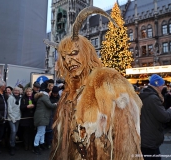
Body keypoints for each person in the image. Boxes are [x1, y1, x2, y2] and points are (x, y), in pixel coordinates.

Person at [44, 6, 143, 160]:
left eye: (74, 53)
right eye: (64, 57)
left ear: (86, 52)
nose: (69, 61)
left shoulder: (108, 82)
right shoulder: (69, 91)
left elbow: (126, 142)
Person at [139, 74, 171, 159]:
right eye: (162, 85)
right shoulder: (153, 98)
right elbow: (164, 117)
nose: (163, 87)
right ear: (157, 85)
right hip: (150, 138)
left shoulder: (144, 95)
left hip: (144, 136)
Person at [33, 90, 57, 155]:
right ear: (48, 93)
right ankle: (36, 146)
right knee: (40, 132)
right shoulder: (45, 97)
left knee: (42, 132)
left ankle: (41, 143)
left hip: (41, 117)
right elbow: (50, 106)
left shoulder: (41, 97)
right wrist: (56, 104)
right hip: (42, 117)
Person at [7, 87, 22, 155]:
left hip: (18, 118)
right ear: (13, 91)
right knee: (13, 131)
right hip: (11, 118)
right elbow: (9, 109)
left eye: (17, 91)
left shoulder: (21, 98)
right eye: (15, 90)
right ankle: (11, 146)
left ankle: (13, 144)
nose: (16, 92)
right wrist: (12, 118)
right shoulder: (10, 98)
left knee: (15, 132)